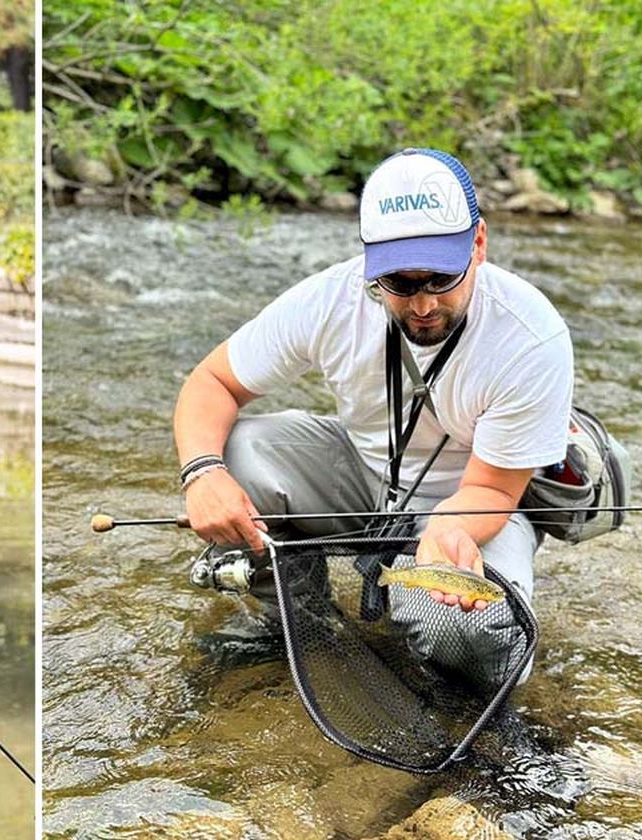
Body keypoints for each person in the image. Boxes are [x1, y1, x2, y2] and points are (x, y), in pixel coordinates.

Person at [174, 147, 573, 685]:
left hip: (472, 503)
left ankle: (468, 689)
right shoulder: (329, 301)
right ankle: (302, 627)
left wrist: (447, 536)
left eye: (441, 278)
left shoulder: (530, 337)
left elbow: (495, 491)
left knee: (467, 627)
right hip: (364, 476)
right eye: (401, 284)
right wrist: (202, 475)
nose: (424, 304)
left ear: (478, 244)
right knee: (236, 452)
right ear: (369, 264)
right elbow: (211, 383)